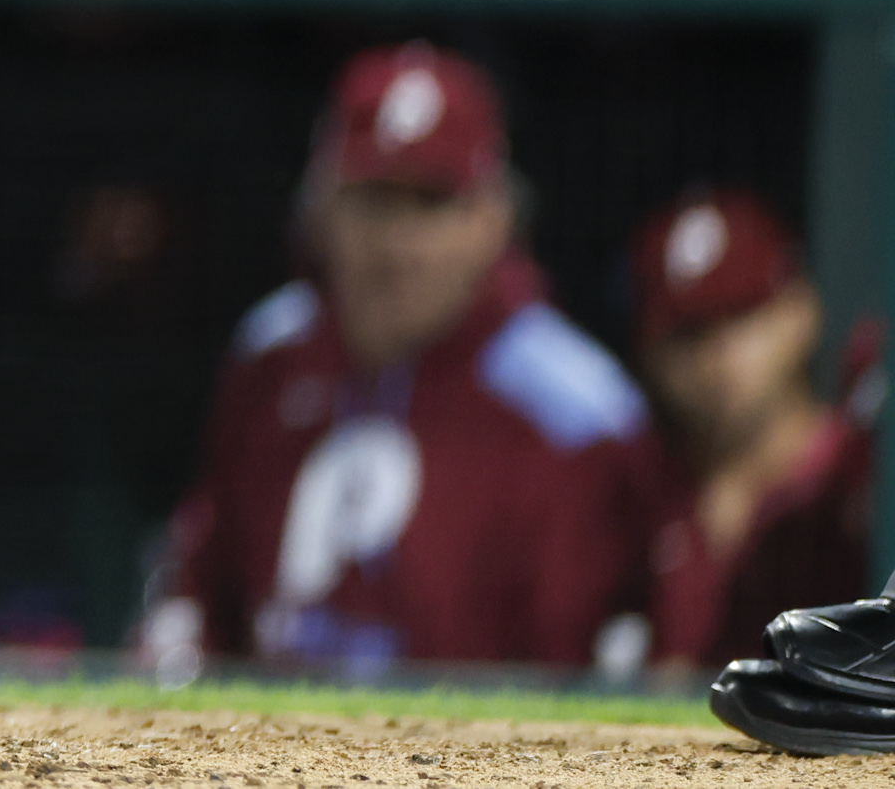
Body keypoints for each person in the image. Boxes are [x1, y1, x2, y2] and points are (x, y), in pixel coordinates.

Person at [143, 45, 654, 674]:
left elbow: (581, 672)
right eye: (375, 199)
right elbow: (199, 586)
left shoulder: (573, 411)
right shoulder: (270, 355)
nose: (399, 242)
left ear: (494, 219)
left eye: (432, 203)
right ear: (319, 208)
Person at [631, 189, 872, 671]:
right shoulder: (639, 493)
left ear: (800, 311)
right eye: (689, 333)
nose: (716, 357)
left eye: (741, 316)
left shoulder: (856, 476)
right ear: (650, 354)